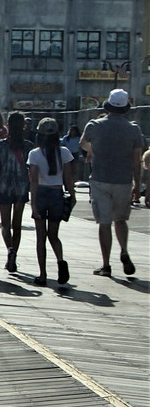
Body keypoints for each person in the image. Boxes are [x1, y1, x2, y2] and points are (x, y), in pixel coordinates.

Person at [79, 89, 145, 277]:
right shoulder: (133, 129)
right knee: (121, 220)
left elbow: (83, 143)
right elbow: (137, 159)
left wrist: (94, 149)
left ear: (108, 105)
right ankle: (123, 250)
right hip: (123, 180)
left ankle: (106, 264)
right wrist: (137, 185)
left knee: (104, 222)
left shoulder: (95, 125)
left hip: (100, 179)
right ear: (125, 108)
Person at [28, 117, 75, 286]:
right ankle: (61, 261)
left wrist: (33, 204)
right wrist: (73, 195)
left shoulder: (34, 154)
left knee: (41, 237)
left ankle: (42, 275)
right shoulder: (64, 152)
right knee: (54, 235)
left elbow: (33, 180)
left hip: (41, 194)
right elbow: (68, 178)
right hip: (57, 194)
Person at [0, 112, 33, 273]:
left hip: (4, 186)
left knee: (5, 224)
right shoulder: (29, 146)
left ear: (8, 126)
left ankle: (9, 249)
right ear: (24, 126)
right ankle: (14, 254)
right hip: (21, 187)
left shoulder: (1, 145)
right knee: (17, 224)